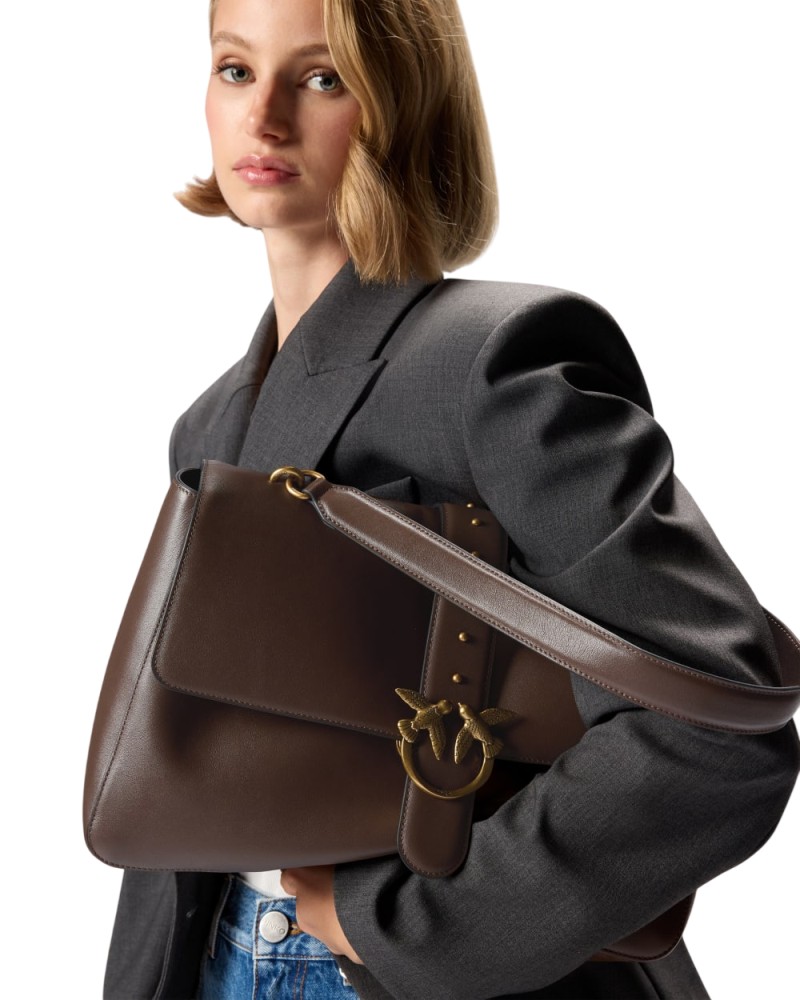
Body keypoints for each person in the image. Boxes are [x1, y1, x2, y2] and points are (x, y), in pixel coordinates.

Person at [102, 0, 799, 997]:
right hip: (214, 952)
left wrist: (411, 926)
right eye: (235, 70)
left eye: (323, 78)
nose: (263, 119)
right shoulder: (208, 425)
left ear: (407, 105)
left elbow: (714, 730)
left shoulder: (496, 366)